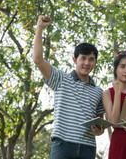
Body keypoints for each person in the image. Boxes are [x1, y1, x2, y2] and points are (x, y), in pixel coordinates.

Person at [33, 15, 105, 159]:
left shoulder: (99, 92)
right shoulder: (61, 79)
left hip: (88, 148)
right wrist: (39, 29)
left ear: (95, 62)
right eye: (83, 58)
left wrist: (99, 130)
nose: (87, 63)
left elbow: (99, 124)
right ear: (74, 60)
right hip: (63, 146)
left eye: (91, 59)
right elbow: (38, 59)